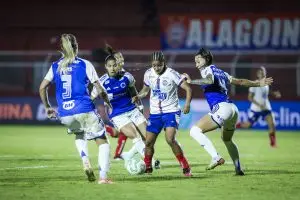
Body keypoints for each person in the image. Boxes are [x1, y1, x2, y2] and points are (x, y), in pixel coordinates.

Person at [183, 48, 273, 175]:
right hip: (232, 109)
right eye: (195, 61)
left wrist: (191, 81)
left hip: (221, 109)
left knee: (194, 131)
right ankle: (238, 168)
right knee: (227, 140)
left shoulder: (207, 70)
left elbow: (209, 80)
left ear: (207, 59)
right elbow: (240, 81)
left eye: (198, 60)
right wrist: (258, 83)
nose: (196, 64)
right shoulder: (222, 72)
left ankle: (216, 157)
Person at [39, 34, 113, 184]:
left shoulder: (55, 66)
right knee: (103, 142)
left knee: (79, 134)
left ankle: (85, 161)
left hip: (65, 114)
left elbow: (42, 87)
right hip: (84, 109)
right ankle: (103, 178)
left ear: (61, 48)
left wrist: (47, 107)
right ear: (77, 46)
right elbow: (99, 87)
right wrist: (107, 102)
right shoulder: (85, 64)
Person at [132, 51, 192, 176]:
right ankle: (148, 165)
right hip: (155, 113)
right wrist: (139, 96)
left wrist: (187, 104)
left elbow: (188, 88)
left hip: (171, 111)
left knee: (170, 139)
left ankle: (185, 165)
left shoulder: (172, 74)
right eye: (154, 65)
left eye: (158, 65)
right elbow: (145, 89)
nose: (156, 68)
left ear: (163, 63)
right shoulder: (148, 73)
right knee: (148, 142)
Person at [91, 51, 149, 166]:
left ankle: (128, 154)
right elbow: (92, 97)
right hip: (116, 112)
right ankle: (147, 161)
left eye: (119, 61)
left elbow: (134, 93)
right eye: (111, 65)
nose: (113, 67)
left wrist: (140, 106)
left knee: (147, 138)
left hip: (131, 109)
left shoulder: (127, 77)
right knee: (125, 133)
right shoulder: (102, 81)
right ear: (107, 66)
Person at [236, 66, 281, 147]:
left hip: (266, 108)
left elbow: (267, 92)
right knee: (248, 125)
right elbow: (250, 97)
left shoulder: (266, 84)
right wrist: (258, 104)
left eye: (264, 71)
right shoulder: (254, 84)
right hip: (256, 109)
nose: (263, 73)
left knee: (272, 124)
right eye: (261, 72)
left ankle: (273, 144)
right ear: (258, 74)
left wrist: (274, 94)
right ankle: (235, 125)